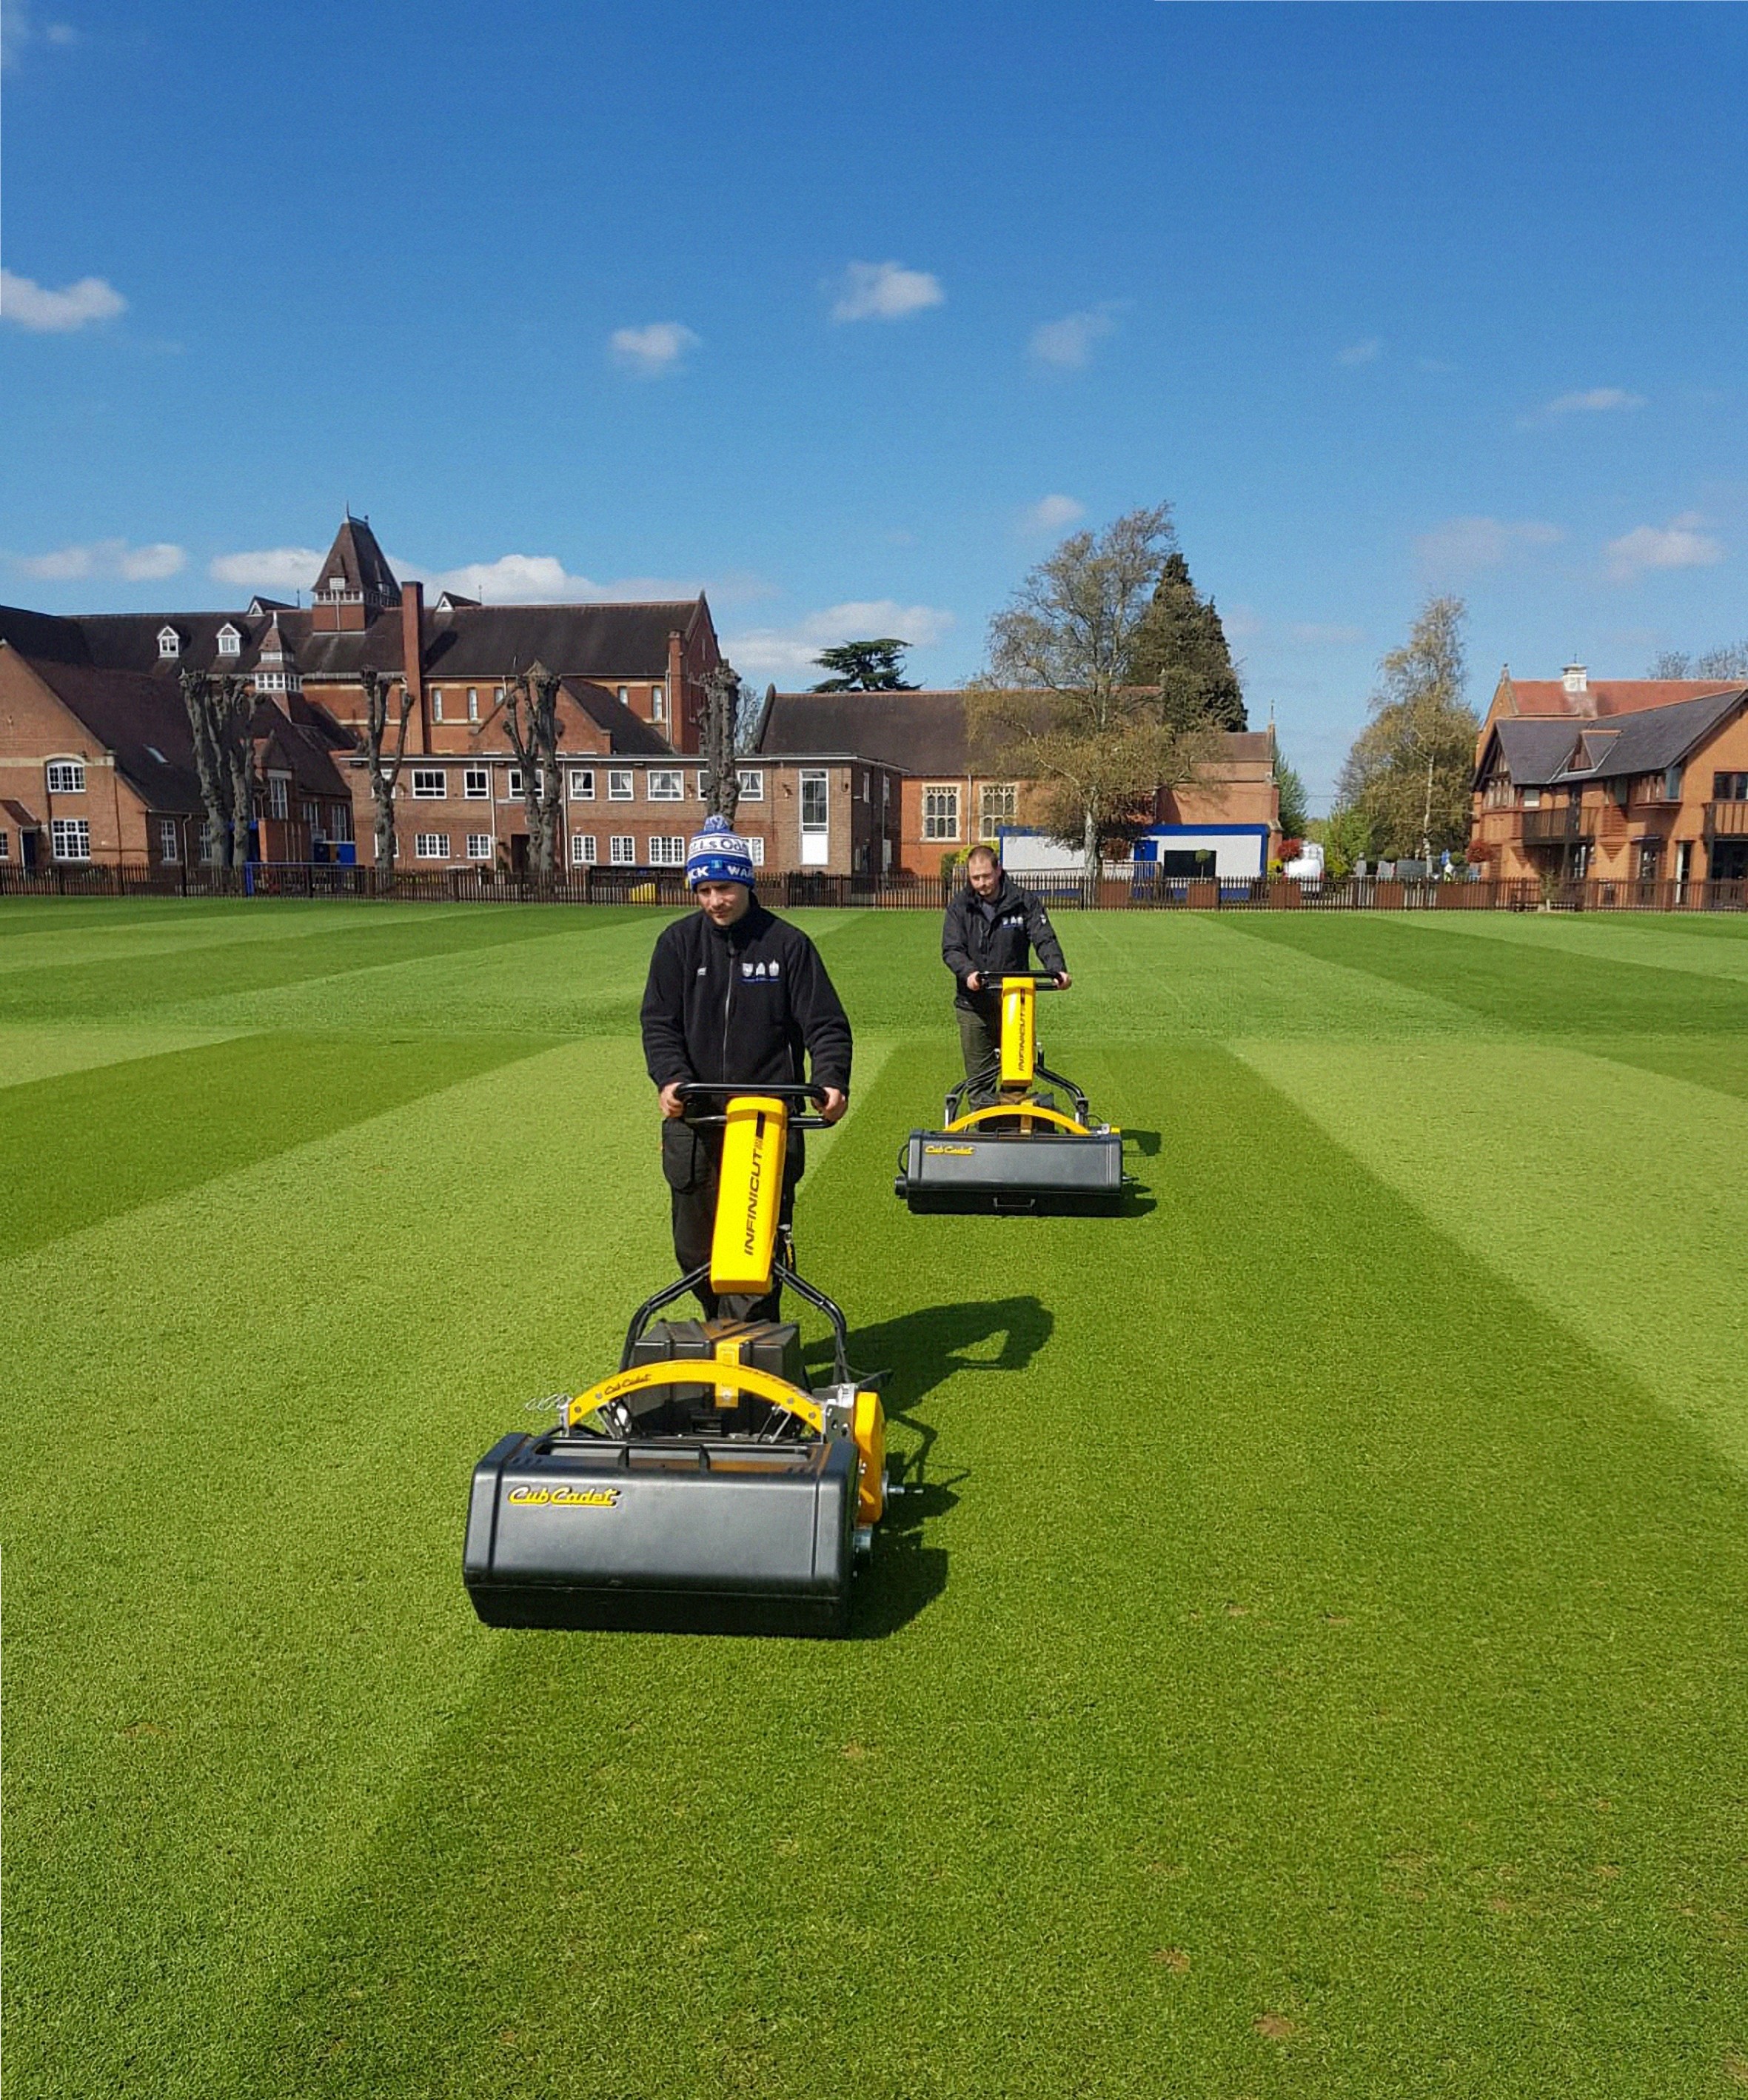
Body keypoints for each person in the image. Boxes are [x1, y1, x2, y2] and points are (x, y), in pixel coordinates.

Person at [640, 815, 851, 1319]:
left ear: (746, 882)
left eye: (725, 888)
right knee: (695, 1251)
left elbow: (824, 1025)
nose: (716, 900)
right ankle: (720, 1327)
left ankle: (755, 1345)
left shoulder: (786, 947)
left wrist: (829, 1082)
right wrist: (670, 1078)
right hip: (697, 1120)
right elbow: (659, 1023)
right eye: (706, 889)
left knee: (756, 1253)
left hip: (764, 1123)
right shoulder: (677, 945)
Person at [941, 844, 1071, 1103]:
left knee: (1017, 1078)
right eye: (975, 878)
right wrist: (969, 973)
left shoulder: (1024, 902)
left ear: (998, 870)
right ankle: (983, 1132)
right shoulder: (960, 907)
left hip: (1015, 1002)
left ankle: (1016, 1133)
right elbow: (952, 948)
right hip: (973, 1004)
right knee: (980, 1083)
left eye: (986, 876)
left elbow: (1044, 938)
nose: (982, 883)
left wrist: (1057, 970)